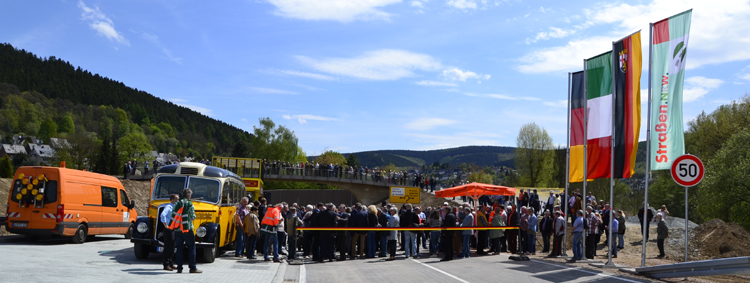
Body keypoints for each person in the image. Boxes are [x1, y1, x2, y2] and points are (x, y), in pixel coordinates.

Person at [170, 188, 202, 273]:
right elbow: (193, 217)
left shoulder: (177, 203)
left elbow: (173, 215)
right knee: (191, 248)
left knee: (179, 249)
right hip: (187, 229)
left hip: (177, 229)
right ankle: (192, 268)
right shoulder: (190, 204)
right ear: (189, 195)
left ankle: (179, 268)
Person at [160, 194, 179, 271]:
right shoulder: (169, 207)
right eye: (177, 199)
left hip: (174, 228)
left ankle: (171, 263)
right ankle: (166, 264)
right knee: (168, 247)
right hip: (169, 229)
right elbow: (163, 215)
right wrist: (165, 224)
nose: (178, 201)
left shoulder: (175, 207)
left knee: (172, 246)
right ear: (173, 200)